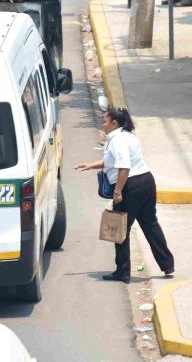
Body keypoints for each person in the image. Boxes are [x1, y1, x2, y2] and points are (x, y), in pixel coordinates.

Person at [75, 108, 175, 283]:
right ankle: (167, 264)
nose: (102, 124)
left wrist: (118, 191)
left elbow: (124, 167)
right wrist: (91, 165)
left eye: (105, 121)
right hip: (146, 181)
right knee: (150, 224)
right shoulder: (127, 136)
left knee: (119, 229)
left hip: (130, 186)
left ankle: (122, 271)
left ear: (114, 123)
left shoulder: (117, 140)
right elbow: (113, 162)